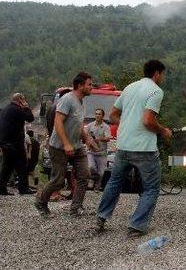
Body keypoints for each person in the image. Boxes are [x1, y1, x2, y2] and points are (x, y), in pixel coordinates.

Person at [96, 60, 172, 238]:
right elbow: (147, 121)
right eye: (163, 74)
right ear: (157, 74)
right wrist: (163, 131)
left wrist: (128, 125)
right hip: (144, 148)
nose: (163, 77)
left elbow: (113, 115)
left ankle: (101, 217)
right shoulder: (156, 91)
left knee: (114, 181)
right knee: (151, 188)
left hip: (123, 145)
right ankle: (136, 226)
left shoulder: (129, 88)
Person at [34, 72, 98, 216]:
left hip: (77, 146)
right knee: (58, 181)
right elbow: (58, 122)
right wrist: (66, 144)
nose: (91, 87)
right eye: (89, 84)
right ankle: (41, 202)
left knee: (84, 176)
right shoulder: (67, 100)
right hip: (59, 147)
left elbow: (79, 124)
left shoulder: (81, 101)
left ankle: (75, 208)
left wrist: (87, 139)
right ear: (80, 85)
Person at [0, 93, 35, 195]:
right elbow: (30, 118)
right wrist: (26, 107)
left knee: (7, 167)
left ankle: (1, 189)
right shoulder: (17, 109)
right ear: (20, 100)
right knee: (22, 165)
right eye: (23, 100)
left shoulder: (5, 109)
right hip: (15, 143)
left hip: (5, 142)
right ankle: (23, 189)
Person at [86, 108, 110, 191]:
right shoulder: (89, 126)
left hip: (101, 152)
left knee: (101, 172)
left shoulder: (106, 127)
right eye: (96, 114)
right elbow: (85, 136)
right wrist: (89, 142)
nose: (97, 115)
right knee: (91, 167)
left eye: (99, 114)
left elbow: (108, 138)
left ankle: (97, 186)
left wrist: (99, 139)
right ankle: (92, 178)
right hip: (91, 152)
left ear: (103, 116)